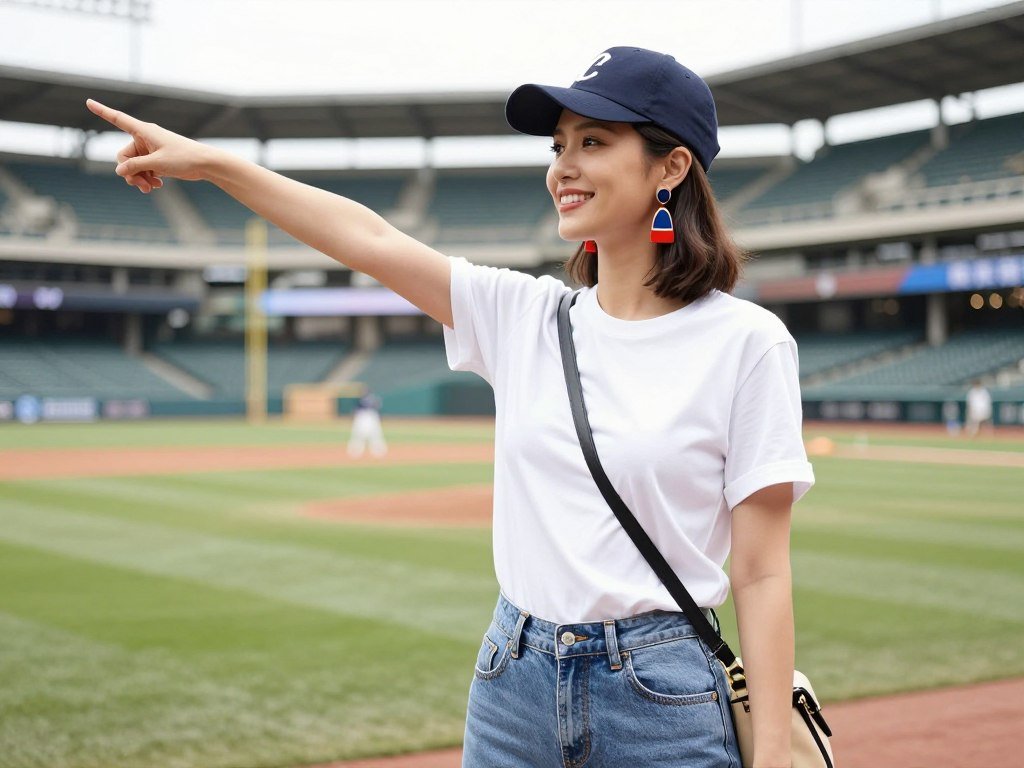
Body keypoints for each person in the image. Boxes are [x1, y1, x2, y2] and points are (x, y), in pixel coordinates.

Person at [86, 45, 815, 767]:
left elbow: (760, 573)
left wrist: (774, 756)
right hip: (512, 681)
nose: (562, 165)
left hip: (660, 697)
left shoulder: (747, 343)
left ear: (672, 165)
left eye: (593, 141)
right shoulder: (523, 315)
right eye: (559, 145)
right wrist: (215, 165)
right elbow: (366, 238)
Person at [347, 389, 387, 458]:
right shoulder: (373, 399)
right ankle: (378, 451)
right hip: (368, 416)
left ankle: (355, 452)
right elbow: (377, 407)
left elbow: (356, 409)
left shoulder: (362, 399)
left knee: (365, 434)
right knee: (373, 434)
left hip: (366, 416)